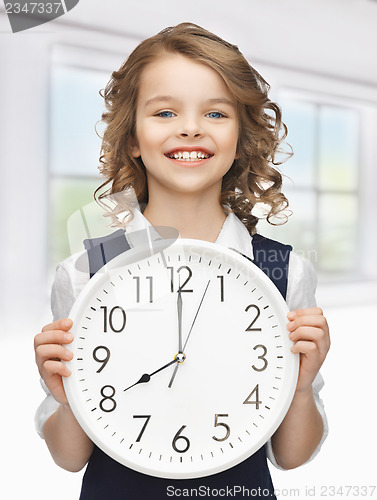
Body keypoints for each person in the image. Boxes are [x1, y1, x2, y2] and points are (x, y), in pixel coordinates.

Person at [34, 23, 330, 499]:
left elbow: (291, 457)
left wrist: (300, 387)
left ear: (240, 136)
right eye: (166, 111)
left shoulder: (284, 272)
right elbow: (70, 459)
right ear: (132, 137)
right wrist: (68, 400)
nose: (190, 127)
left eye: (215, 113)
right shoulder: (84, 273)